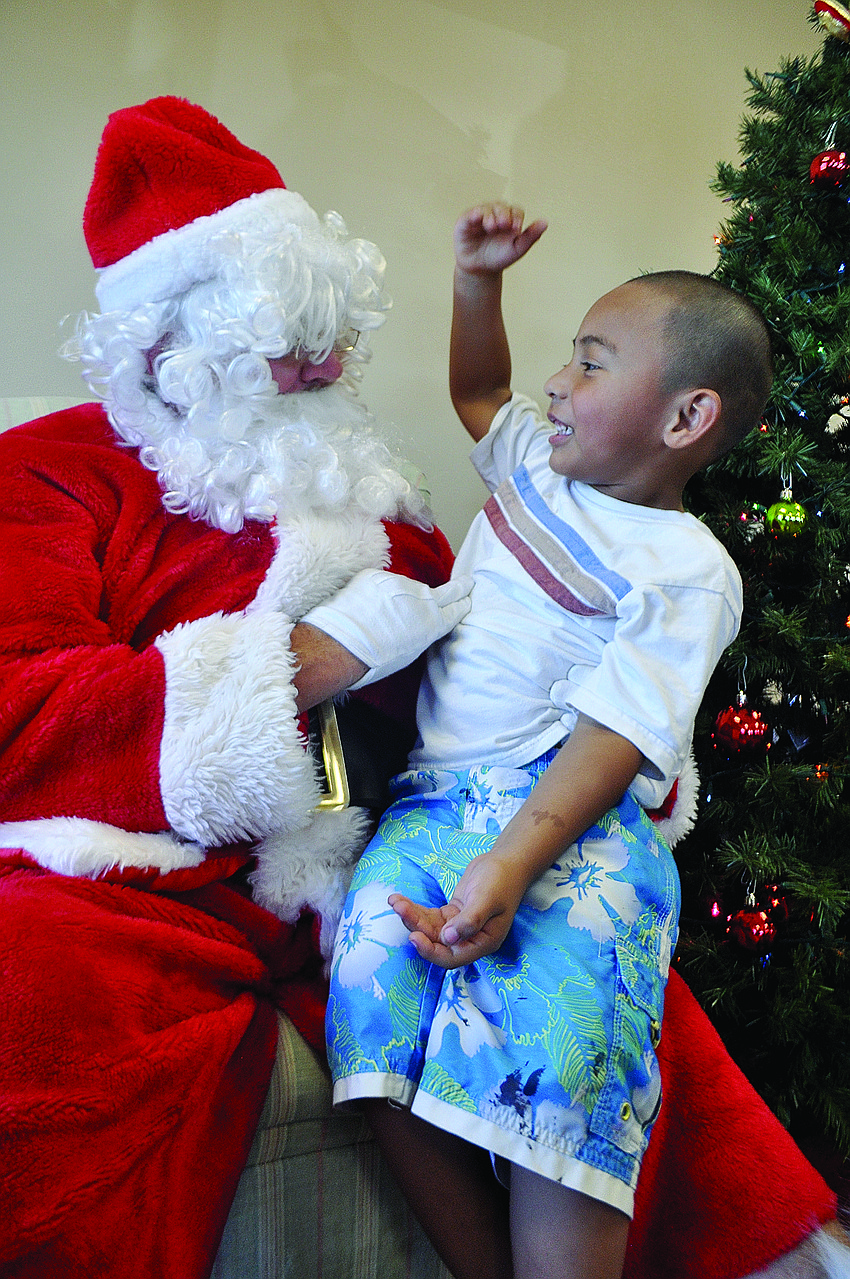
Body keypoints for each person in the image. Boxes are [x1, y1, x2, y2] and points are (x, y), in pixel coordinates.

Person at [0, 103, 843, 1279]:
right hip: (146, 868)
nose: (315, 365)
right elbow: (17, 708)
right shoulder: (48, 471)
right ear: (166, 338)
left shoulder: (370, 488)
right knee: (35, 994)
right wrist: (305, 668)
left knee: (603, 1012)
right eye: (275, 335)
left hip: (392, 833)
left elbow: (497, 669)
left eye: (322, 332)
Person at [319, 204, 850, 1279]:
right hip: (429, 808)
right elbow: (479, 393)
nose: (557, 384)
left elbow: (617, 732)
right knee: (368, 1005)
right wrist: (477, 282)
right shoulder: (531, 470)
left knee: (564, 1069)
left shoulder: (687, 567)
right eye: (568, 359)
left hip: (571, 817)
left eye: (593, 364)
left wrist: (513, 861)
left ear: (685, 415)